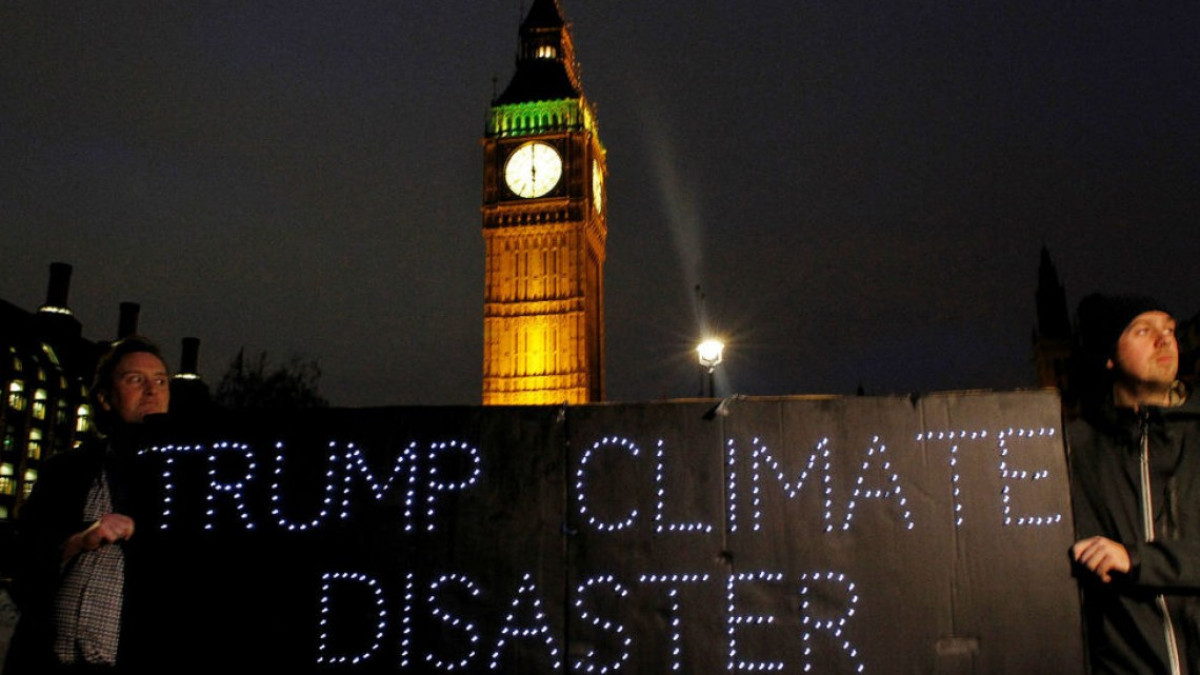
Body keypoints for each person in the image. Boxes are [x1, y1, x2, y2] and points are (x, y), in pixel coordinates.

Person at [5, 336, 170, 673]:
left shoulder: (183, 476)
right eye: (135, 380)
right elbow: (23, 558)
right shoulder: (65, 470)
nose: (152, 391)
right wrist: (80, 541)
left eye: (161, 381)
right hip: (48, 661)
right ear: (105, 398)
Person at [1069, 294, 1200, 674]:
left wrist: (1138, 559)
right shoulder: (1074, 448)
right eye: (1144, 331)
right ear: (1108, 356)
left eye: (1170, 330)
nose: (1165, 341)